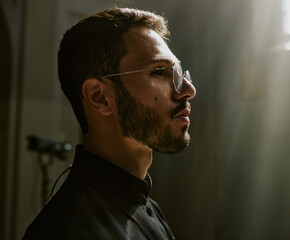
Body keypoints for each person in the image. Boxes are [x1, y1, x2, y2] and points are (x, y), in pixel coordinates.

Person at [23, 7, 196, 240]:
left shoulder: (148, 207)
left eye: (178, 73)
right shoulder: (67, 231)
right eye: (159, 72)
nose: (188, 90)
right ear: (99, 97)